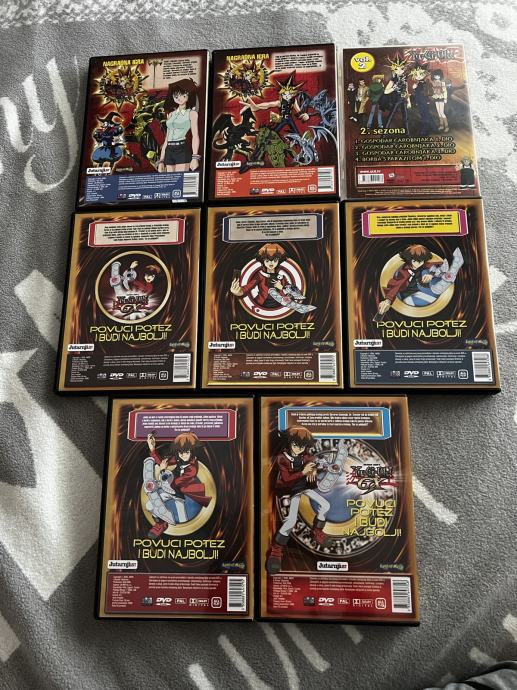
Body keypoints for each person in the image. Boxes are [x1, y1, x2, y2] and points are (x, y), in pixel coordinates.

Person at [266, 426, 331, 575]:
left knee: (325, 505)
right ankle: (276, 551)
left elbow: (314, 461)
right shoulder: (282, 458)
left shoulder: (306, 456)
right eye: (295, 445)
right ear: (289, 443)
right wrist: (303, 472)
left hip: (304, 487)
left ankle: (317, 531)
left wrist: (314, 469)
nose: (298, 449)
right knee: (290, 521)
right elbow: (286, 479)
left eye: (302, 446)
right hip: (291, 490)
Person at [157, 78, 201, 173]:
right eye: (176, 95)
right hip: (169, 150)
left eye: (182, 94)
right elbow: (166, 139)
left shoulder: (192, 113)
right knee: (170, 179)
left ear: (188, 94)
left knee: (180, 179)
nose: (178, 98)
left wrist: (195, 157)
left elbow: (195, 136)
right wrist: (161, 160)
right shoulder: (171, 114)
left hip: (182, 149)